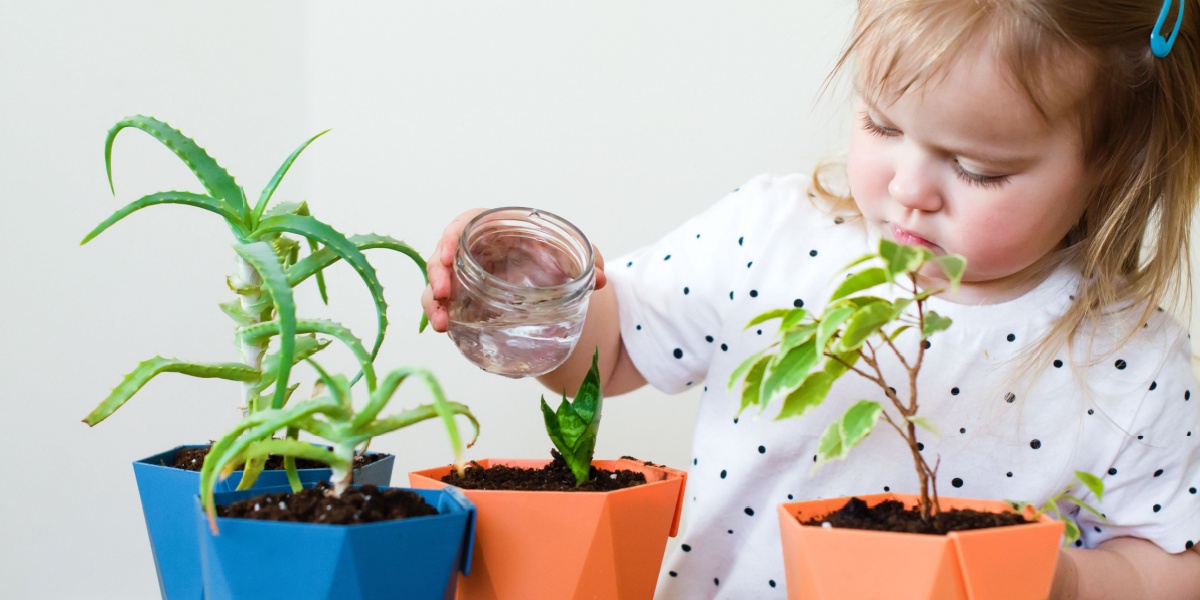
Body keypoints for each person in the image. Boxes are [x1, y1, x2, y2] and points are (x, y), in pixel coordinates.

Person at [422, 0, 1200, 597]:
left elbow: (1170, 564)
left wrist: (1053, 579)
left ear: (1113, 164)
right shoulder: (771, 236)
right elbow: (610, 350)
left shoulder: (1132, 363)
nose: (906, 187)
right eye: (881, 124)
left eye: (976, 167)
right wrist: (527, 297)